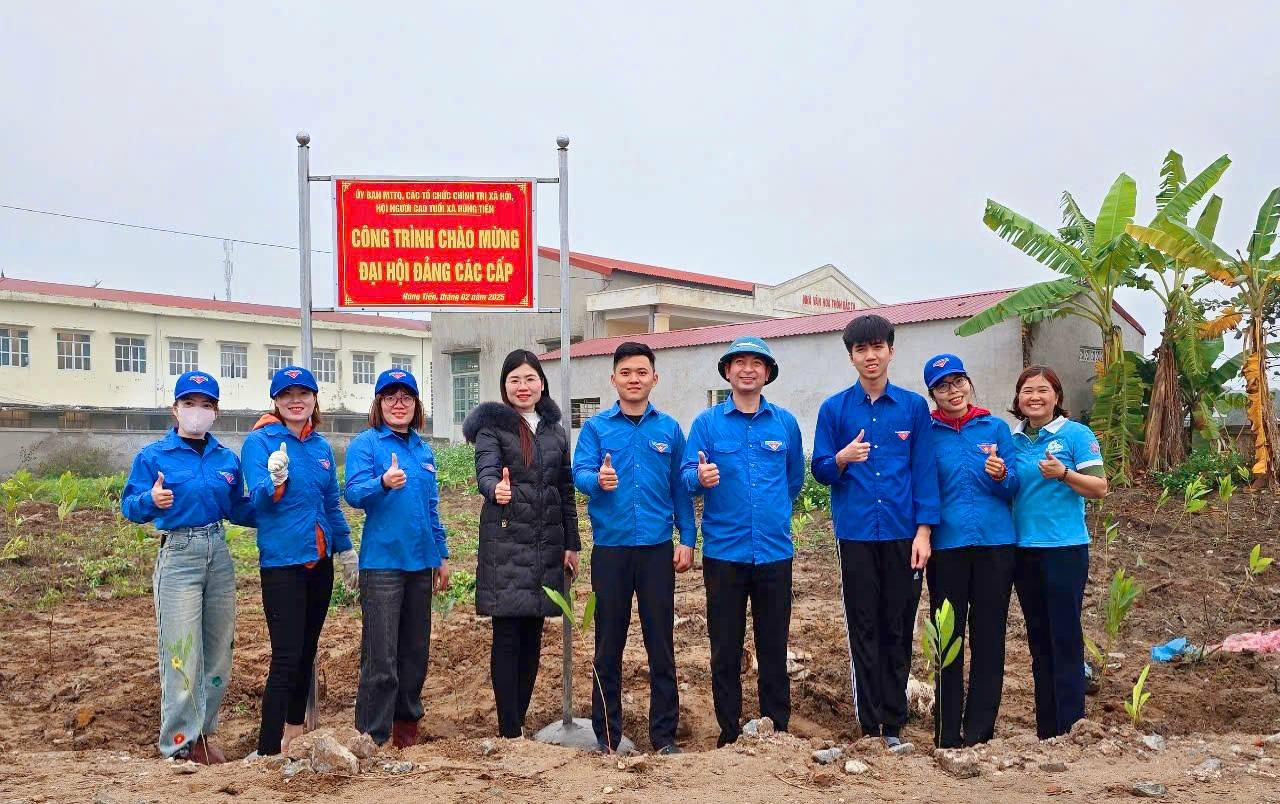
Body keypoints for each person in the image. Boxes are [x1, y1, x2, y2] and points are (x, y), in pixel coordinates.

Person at [810, 314, 939, 749]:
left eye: (877, 347)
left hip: (903, 534)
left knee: (898, 625)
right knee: (863, 626)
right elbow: (820, 469)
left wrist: (924, 532)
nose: (870, 356)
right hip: (857, 534)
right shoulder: (834, 409)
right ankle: (870, 727)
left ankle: (894, 724)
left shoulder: (913, 408)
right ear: (851, 356)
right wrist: (842, 458)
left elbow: (924, 471)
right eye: (861, 349)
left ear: (891, 351)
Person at [122, 371, 255, 764]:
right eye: (189, 403)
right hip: (179, 553)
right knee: (182, 650)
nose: (197, 411)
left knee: (218, 651)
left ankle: (202, 737)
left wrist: (278, 500)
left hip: (218, 552)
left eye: (206, 404)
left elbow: (238, 508)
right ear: (175, 408)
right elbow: (129, 506)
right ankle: (179, 743)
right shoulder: (153, 456)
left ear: (216, 411)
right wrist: (151, 500)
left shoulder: (226, 459)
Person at [681, 336, 804, 748]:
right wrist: (700, 477)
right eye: (740, 362)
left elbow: (792, 480)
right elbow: (686, 475)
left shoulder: (785, 423)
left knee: (774, 644)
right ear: (727, 371)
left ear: (767, 373)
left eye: (757, 363)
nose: (748, 369)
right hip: (724, 554)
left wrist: (771, 513)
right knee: (725, 648)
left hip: (774, 553)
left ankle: (777, 727)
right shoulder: (707, 424)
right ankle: (729, 731)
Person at [572, 342, 695, 754]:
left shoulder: (669, 429)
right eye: (626, 372)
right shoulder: (596, 428)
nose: (634, 379)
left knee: (661, 644)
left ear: (654, 379)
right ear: (614, 380)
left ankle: (664, 736)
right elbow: (580, 472)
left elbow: (680, 489)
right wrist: (597, 480)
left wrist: (687, 538)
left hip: (657, 550)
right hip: (612, 551)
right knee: (609, 644)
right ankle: (607, 737)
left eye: (642, 372)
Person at [463, 350, 581, 738]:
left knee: (533, 636)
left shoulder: (555, 432)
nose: (523, 386)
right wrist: (494, 488)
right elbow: (486, 469)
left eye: (530, 379)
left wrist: (572, 544)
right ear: (505, 387)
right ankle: (509, 730)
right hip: (507, 543)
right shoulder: (492, 429)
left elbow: (565, 490)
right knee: (508, 634)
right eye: (515, 380)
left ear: (542, 384)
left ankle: (519, 721)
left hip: (546, 544)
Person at [242, 365, 356, 756]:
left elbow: (331, 504)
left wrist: (346, 550)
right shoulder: (259, 443)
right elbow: (257, 501)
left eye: (303, 394)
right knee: (286, 656)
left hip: (319, 562)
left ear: (313, 399)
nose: (296, 401)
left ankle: (293, 733)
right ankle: (266, 749)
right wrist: (274, 480)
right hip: (283, 563)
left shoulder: (320, 447)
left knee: (307, 650)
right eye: (287, 395)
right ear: (275, 401)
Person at [344, 368, 450, 749]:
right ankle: (372, 735)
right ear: (379, 404)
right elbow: (353, 493)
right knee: (381, 656)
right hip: (383, 565)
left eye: (406, 397)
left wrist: (441, 555)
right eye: (390, 397)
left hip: (420, 563)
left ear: (416, 405)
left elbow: (431, 507)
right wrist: (382, 483)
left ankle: (406, 727)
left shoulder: (423, 450)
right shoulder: (366, 445)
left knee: (414, 652)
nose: (399, 404)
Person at [920, 354, 1019, 748]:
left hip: (996, 544)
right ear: (933, 394)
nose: (953, 391)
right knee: (948, 637)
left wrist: (1001, 475)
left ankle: (980, 732)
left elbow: (1013, 486)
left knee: (989, 636)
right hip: (947, 547)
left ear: (968, 383)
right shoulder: (927, 434)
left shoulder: (994, 427)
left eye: (958, 381)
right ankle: (946, 732)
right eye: (943, 386)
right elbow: (922, 488)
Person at [1008, 365, 1107, 739]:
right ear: (1018, 399)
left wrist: (1064, 474)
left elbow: (1099, 487)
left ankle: (1071, 724)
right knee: (1038, 639)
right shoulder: (1012, 440)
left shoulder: (1076, 435)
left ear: (1057, 396)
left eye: (1042, 390)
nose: (1034, 397)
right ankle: (1047, 729)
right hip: (1023, 550)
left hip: (1064, 549)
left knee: (1064, 635)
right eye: (1027, 391)